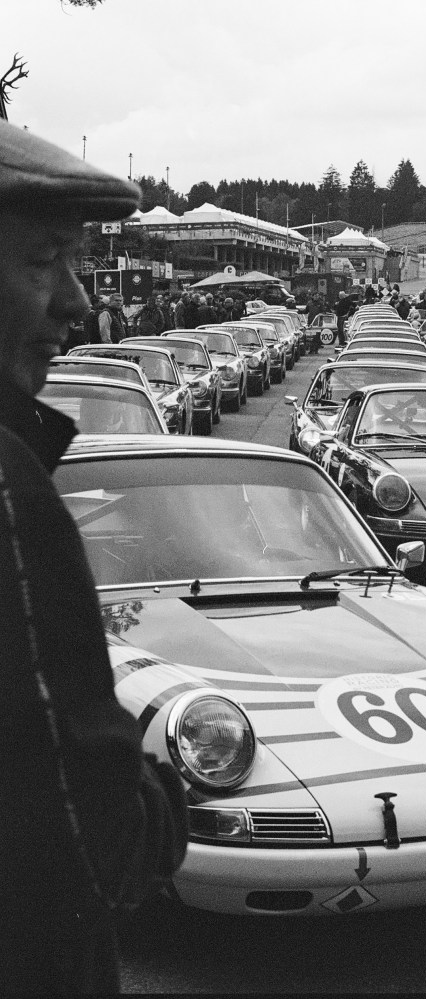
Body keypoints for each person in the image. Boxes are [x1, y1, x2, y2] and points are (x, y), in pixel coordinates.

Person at [0, 119, 187, 992]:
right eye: (45, 259)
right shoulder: (11, 491)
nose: (76, 301)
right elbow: (95, 841)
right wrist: (154, 796)